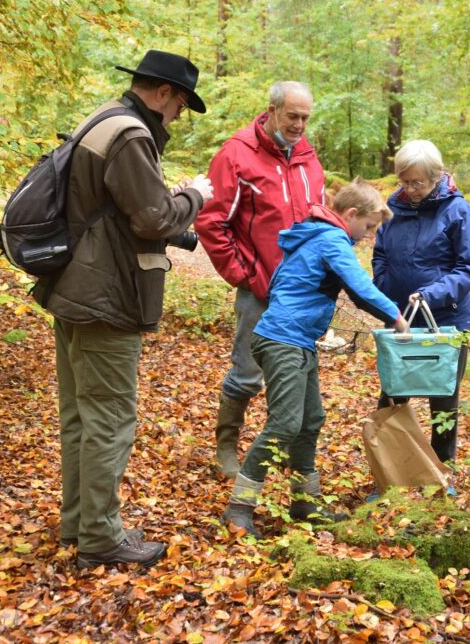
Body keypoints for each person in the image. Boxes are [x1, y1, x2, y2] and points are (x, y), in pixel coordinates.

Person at [35, 50, 213, 569]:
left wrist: (166, 202)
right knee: (111, 419)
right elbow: (153, 218)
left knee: (81, 416)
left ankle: (82, 522)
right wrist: (195, 197)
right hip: (105, 297)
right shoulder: (131, 134)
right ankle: (100, 536)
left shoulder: (101, 119)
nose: (177, 116)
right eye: (180, 105)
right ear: (164, 94)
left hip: (72, 287)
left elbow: (120, 209)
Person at [221, 179, 406, 537]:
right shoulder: (330, 239)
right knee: (285, 424)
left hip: (296, 340)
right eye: (367, 227)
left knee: (310, 419)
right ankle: (239, 508)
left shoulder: (312, 235)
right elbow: (359, 286)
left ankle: (305, 502)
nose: (367, 236)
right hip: (282, 340)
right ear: (351, 215)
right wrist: (395, 316)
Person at [196, 81, 325, 479]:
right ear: (270, 111)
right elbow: (211, 221)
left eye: (305, 117)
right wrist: (244, 275)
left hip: (302, 294)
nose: (299, 125)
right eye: (292, 116)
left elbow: (318, 218)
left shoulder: (307, 159)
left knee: (298, 374)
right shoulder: (237, 155)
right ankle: (226, 448)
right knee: (248, 372)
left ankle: (288, 454)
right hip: (261, 288)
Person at [372, 140, 470, 465]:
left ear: (436, 177)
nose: (410, 189)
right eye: (404, 181)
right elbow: (380, 252)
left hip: (446, 322)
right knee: (392, 395)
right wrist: (384, 284)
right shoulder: (394, 207)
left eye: (417, 182)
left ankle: (440, 472)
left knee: (443, 399)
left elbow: (469, 268)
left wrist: (431, 294)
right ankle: (389, 468)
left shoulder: (456, 210)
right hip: (401, 319)